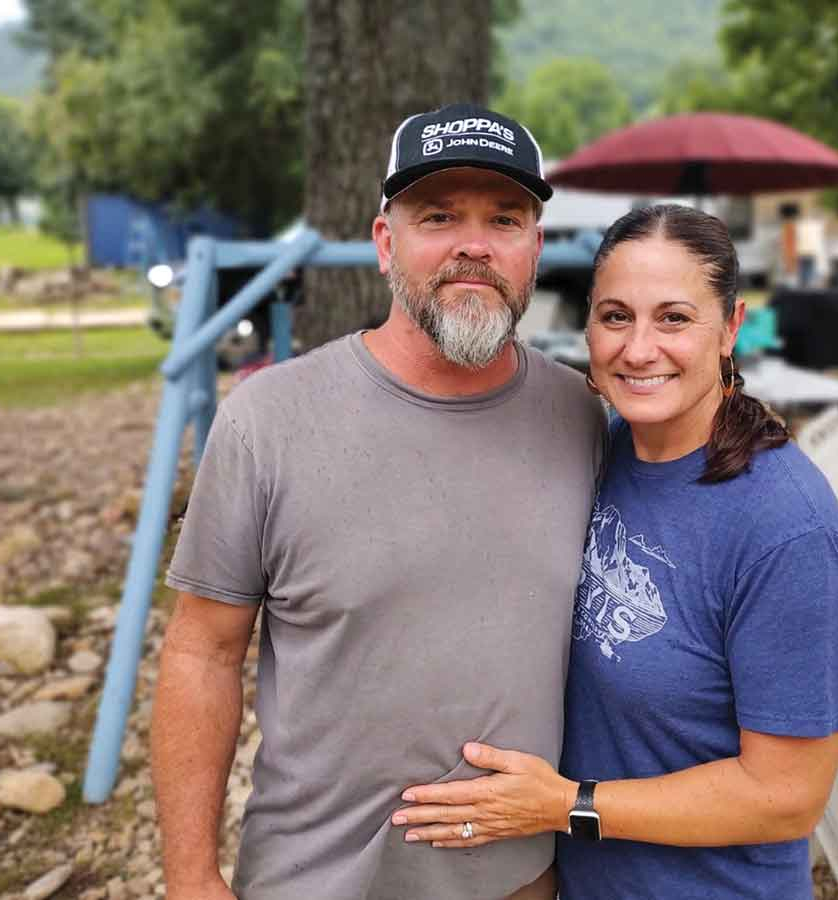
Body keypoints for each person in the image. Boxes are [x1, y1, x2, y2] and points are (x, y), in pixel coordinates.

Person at [150, 103, 606, 900]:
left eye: (504, 219)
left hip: (519, 878)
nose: (474, 243)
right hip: (314, 878)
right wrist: (191, 875)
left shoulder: (580, 417)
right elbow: (202, 652)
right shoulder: (268, 420)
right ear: (385, 242)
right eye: (439, 216)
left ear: (534, 250)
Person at [393, 204, 838, 899]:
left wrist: (566, 806)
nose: (639, 349)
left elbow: (787, 795)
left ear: (731, 328)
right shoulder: (600, 450)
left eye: (673, 318)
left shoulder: (786, 530)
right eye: (616, 317)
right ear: (588, 326)